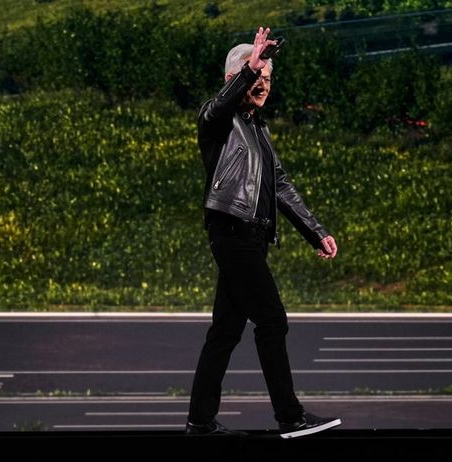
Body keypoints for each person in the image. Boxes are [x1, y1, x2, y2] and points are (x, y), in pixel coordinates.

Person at [185, 27, 341, 439]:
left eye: (268, 79)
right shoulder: (218, 122)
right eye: (256, 77)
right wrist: (248, 67)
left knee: (225, 331)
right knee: (272, 320)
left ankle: (200, 422)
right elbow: (216, 108)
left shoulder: (258, 130)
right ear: (235, 80)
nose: (263, 86)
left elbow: (281, 185)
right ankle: (289, 415)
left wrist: (315, 231)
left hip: (252, 237)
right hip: (232, 231)